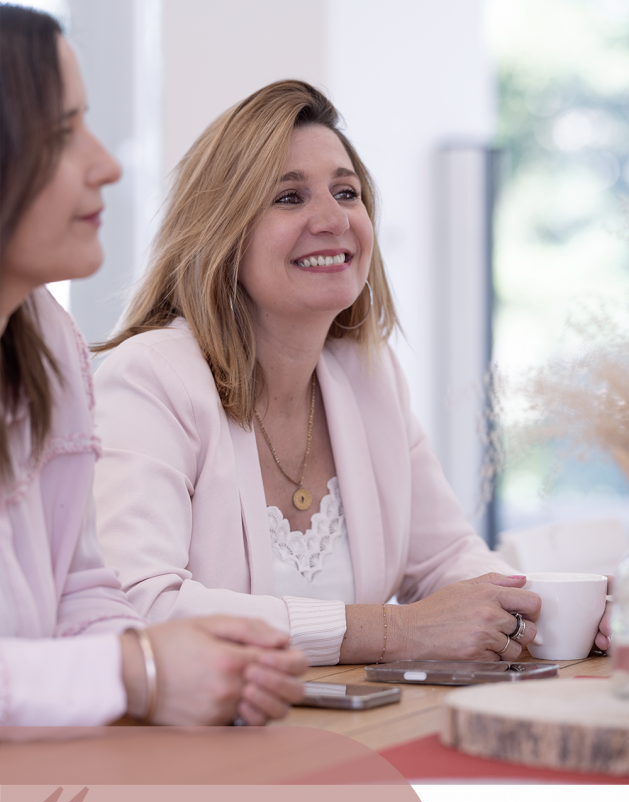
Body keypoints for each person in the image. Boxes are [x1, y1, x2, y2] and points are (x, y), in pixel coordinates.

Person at [92, 79, 612, 665]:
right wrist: (394, 631)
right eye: (290, 197)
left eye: (347, 193)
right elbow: (140, 607)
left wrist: (564, 608)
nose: (333, 219)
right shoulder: (150, 378)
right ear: (222, 232)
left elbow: (444, 561)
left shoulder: (370, 375)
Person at [0, 6, 305, 726]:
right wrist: (137, 672)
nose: (106, 165)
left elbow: (79, 589)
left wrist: (168, 655)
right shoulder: (147, 369)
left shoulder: (48, 340)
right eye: (61, 134)